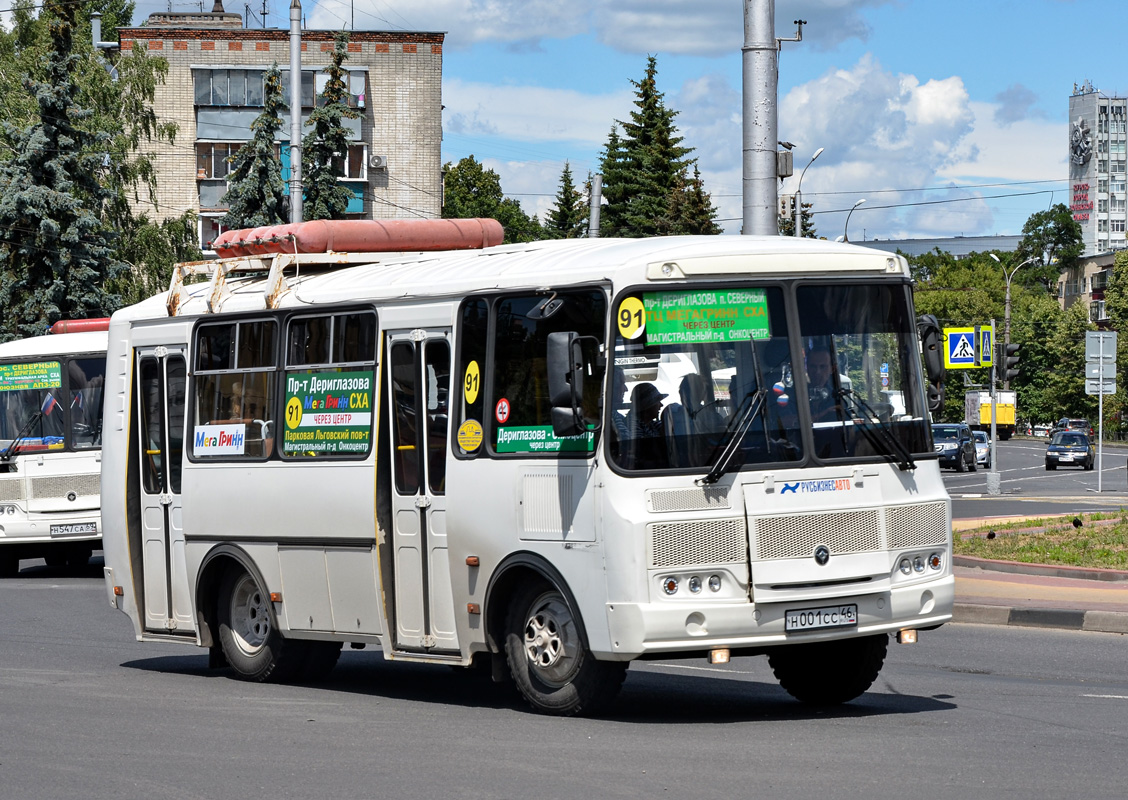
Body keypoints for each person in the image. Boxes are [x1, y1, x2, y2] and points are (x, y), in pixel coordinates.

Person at [806, 346, 839, 422]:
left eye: (823, 367)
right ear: (806, 367)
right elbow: (786, 421)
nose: (817, 372)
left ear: (832, 369)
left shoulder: (837, 399)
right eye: (813, 366)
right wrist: (824, 413)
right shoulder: (794, 396)